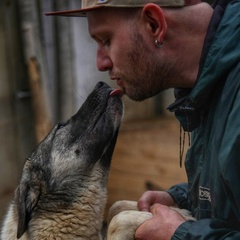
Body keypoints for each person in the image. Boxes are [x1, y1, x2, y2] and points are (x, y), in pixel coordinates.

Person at [46, 0, 240, 239]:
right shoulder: (208, 88)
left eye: (106, 40)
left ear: (154, 24)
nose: (100, 63)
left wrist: (180, 235)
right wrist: (183, 199)